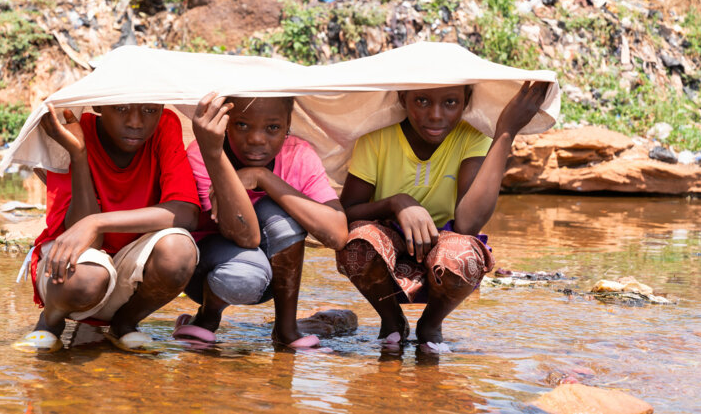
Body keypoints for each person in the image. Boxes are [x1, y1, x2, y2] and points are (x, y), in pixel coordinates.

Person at [336, 82, 550, 352]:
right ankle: (392, 321)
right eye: (422, 101)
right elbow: (345, 213)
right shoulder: (377, 138)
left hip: (443, 252)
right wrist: (397, 203)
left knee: (463, 255)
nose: (436, 115)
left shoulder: (471, 137)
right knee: (357, 243)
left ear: (466, 100)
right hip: (388, 248)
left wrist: (506, 131)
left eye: (450, 102)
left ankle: (431, 325)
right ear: (402, 98)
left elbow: (468, 224)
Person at [14, 102, 201, 353]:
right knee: (88, 276)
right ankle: (50, 322)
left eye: (149, 110)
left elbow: (187, 213)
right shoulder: (71, 128)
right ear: (100, 105)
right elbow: (87, 243)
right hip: (73, 275)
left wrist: (96, 222)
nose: (136, 122)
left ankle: (125, 323)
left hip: (128, 270)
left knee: (179, 251)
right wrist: (79, 154)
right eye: (121, 109)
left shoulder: (164, 125)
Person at [175, 93, 348, 348]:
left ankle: (286, 330)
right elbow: (245, 236)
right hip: (207, 272)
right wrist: (218, 161)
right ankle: (207, 318)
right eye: (242, 125)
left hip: (270, 279)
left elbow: (337, 234)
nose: (256, 139)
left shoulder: (297, 155)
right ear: (225, 122)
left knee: (279, 213)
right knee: (246, 273)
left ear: (288, 125)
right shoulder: (204, 154)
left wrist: (262, 177)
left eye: (273, 128)